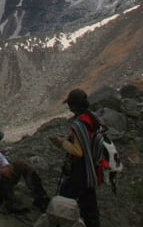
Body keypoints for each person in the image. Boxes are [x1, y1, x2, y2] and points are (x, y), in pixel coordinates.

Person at [49, 88, 101, 227]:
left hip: (81, 169)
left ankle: (63, 221)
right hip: (92, 167)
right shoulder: (92, 118)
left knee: (67, 196)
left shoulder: (79, 124)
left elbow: (78, 152)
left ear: (73, 106)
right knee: (89, 202)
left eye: (69, 104)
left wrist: (62, 143)